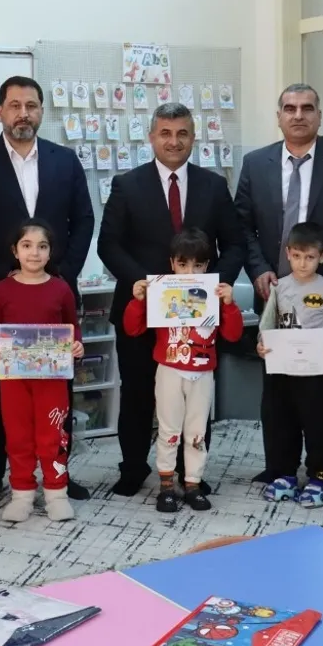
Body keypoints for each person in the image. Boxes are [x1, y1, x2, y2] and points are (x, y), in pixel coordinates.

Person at [0, 76, 94, 504]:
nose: (23, 114)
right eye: (14, 105)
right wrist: (4, 275)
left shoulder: (65, 160)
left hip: (55, 293)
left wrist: (63, 274)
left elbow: (83, 220)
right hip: (2, 294)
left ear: (41, 112)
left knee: (57, 389)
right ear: (0, 112)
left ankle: (57, 473)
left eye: (31, 106)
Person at [97, 102, 246, 497]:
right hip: (141, 312)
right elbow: (108, 245)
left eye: (182, 133)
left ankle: (189, 471)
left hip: (198, 318)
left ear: (193, 138)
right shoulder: (127, 185)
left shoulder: (214, 185)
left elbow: (235, 244)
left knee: (194, 395)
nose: (174, 141)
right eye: (165, 133)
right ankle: (133, 468)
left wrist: (216, 288)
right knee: (138, 393)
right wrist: (145, 286)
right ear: (152, 137)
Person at [233, 83, 323, 483]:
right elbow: (242, 226)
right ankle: (280, 467)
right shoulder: (255, 163)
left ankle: (321, 469)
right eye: (290, 108)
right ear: (279, 116)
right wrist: (258, 270)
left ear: (319, 115)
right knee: (278, 389)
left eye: (307, 108)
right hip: (276, 295)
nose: (298, 115)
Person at [121, 228, 244, 513]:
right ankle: (166, 485)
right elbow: (132, 328)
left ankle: (192, 484)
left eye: (198, 265)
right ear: (172, 263)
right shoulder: (162, 293)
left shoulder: (214, 294)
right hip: (169, 370)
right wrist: (138, 300)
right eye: (183, 264)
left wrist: (229, 305)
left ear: (207, 265)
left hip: (202, 373)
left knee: (197, 431)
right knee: (168, 430)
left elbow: (233, 335)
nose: (190, 271)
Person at [0, 221, 85, 522]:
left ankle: (56, 493)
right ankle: (22, 494)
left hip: (52, 380)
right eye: (26, 246)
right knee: (18, 437)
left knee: (53, 436)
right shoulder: (2, 289)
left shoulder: (61, 288)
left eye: (42, 246)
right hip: (13, 380)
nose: (34, 253)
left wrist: (76, 346)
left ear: (50, 252)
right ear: (15, 251)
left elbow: (72, 327)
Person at [255, 223, 323, 508]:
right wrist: (261, 344)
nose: (302, 263)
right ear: (288, 253)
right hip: (283, 371)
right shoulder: (279, 287)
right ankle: (285, 474)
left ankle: (319, 477)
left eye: (309, 257)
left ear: (322, 257)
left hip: (317, 373)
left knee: (320, 423)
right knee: (282, 421)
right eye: (296, 256)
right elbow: (267, 323)